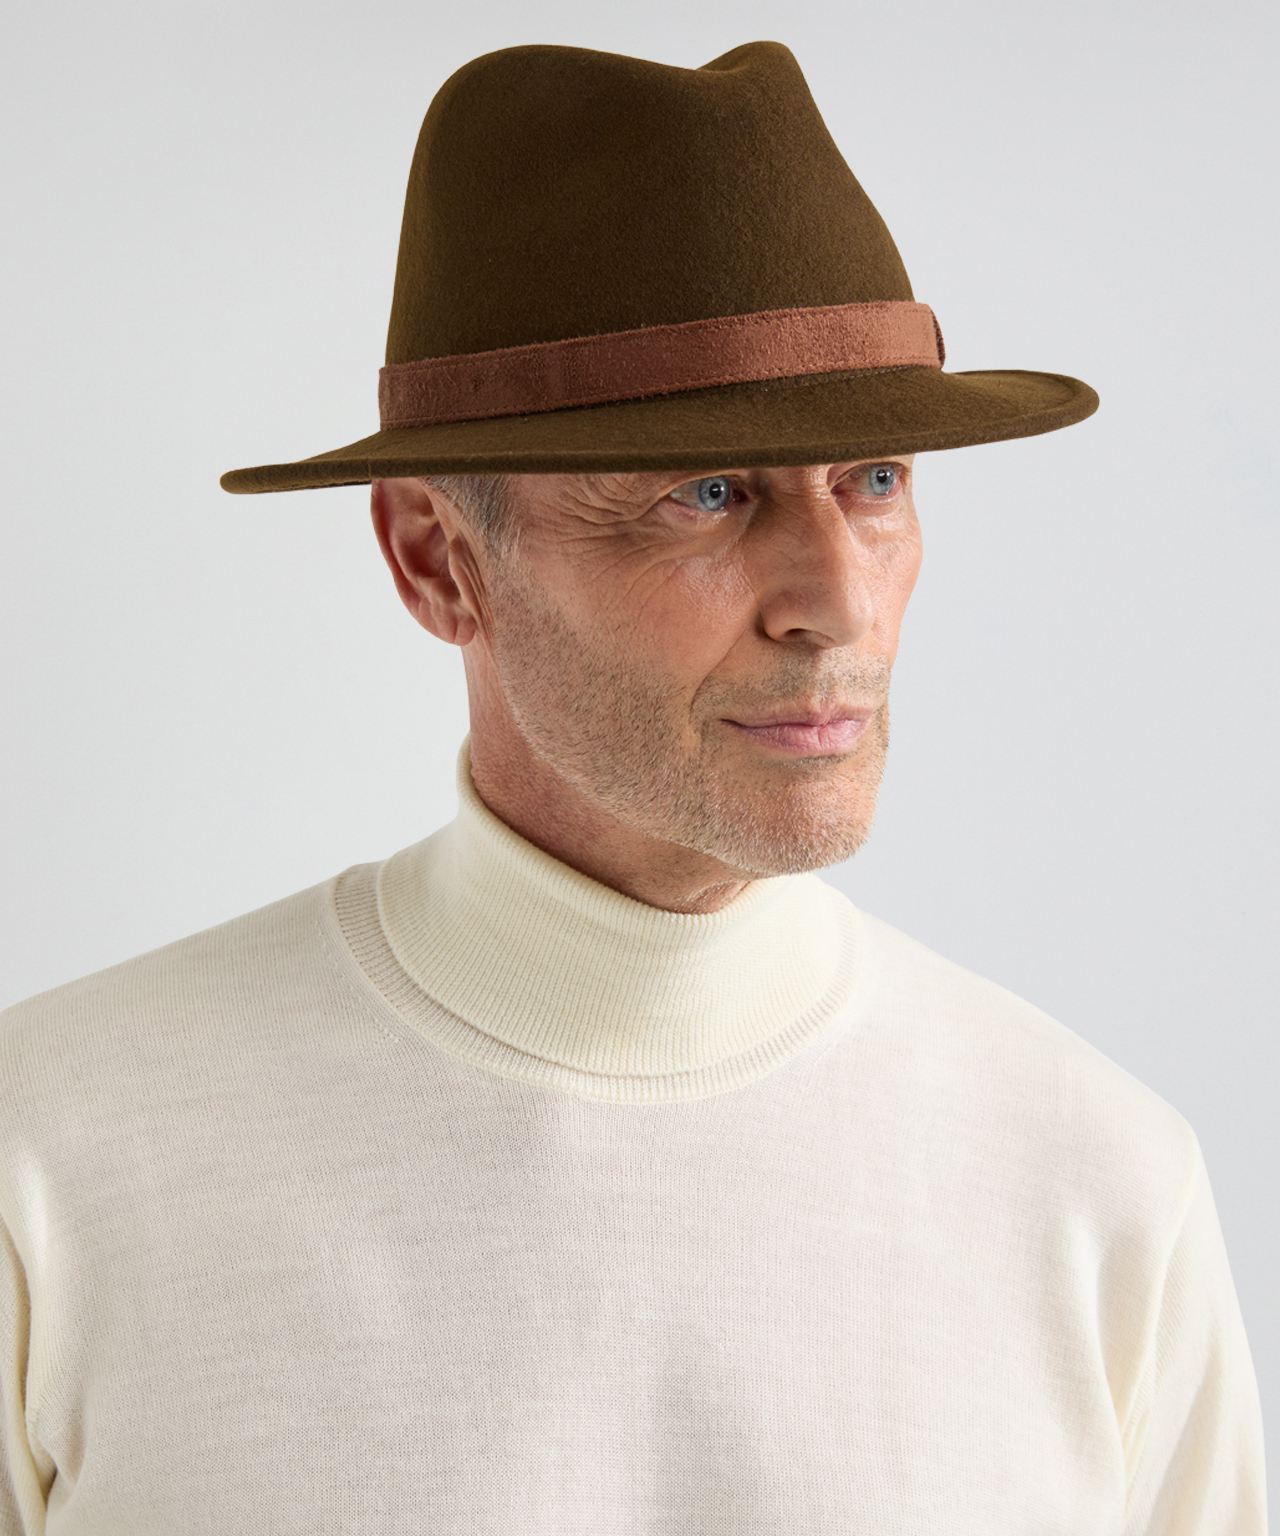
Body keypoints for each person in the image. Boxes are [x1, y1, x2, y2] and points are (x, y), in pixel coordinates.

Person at [1, 39, 1266, 1536]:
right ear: (436, 558)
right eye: (705, 492)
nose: (838, 604)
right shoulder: (56, 1162)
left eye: (875, 481)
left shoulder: (1098, 1186)